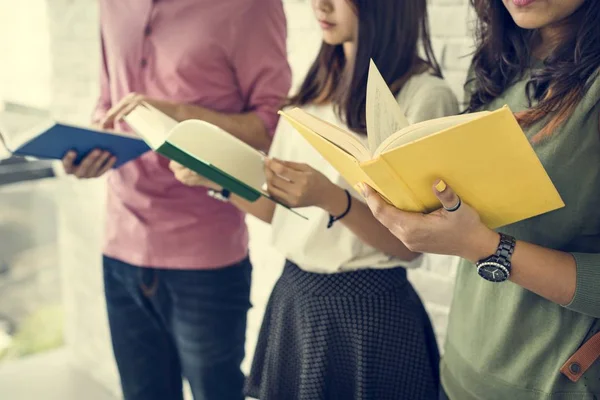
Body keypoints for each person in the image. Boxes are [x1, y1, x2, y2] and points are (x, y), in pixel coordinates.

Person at [171, 0, 459, 398]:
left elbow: (409, 246)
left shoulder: (424, 96)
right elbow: (280, 212)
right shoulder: (313, 90)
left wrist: (332, 198)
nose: (320, 5)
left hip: (371, 312)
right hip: (295, 298)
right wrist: (217, 179)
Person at [360, 0, 600, 399]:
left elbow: (482, 240)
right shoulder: (501, 59)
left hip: (549, 384)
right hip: (460, 368)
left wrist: (485, 247)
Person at [60, 1, 291, 399]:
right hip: (120, 245)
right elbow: (107, 101)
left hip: (205, 254)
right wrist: (94, 143)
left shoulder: (251, 6)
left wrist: (181, 114)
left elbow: (273, 126)